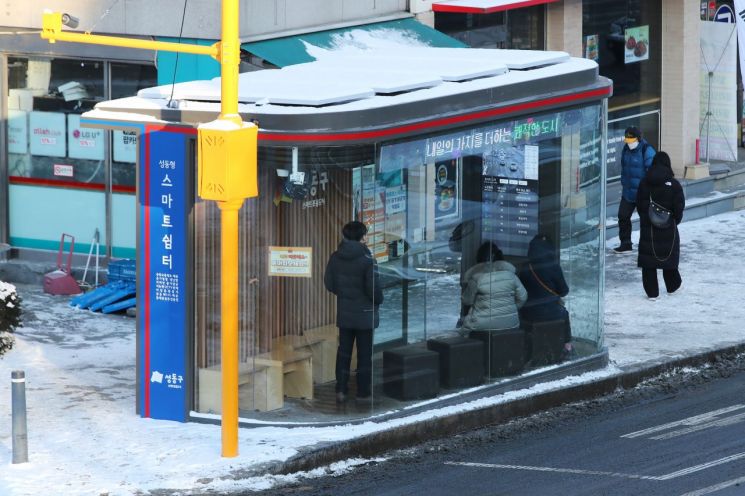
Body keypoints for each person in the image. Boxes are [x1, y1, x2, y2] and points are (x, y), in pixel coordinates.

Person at [324, 221, 383, 403]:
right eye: (364, 234)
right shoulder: (367, 259)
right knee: (364, 355)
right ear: (360, 237)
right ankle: (363, 393)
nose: (366, 237)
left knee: (344, 353)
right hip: (364, 314)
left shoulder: (335, 257)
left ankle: (341, 390)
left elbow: (329, 283)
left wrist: (344, 295)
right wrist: (378, 301)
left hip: (345, 313)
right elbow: (374, 290)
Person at [635, 151, 685, 300]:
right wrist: (673, 221)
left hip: (648, 229)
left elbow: (640, 205)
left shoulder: (644, 182)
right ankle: (673, 286)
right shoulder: (674, 185)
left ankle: (652, 292)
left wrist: (647, 219)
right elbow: (679, 208)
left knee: (648, 260)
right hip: (668, 228)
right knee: (668, 257)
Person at [518, 234, 573, 359]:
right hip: (552, 313)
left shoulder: (526, 267)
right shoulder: (553, 266)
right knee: (564, 313)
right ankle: (567, 346)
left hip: (529, 313)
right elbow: (564, 291)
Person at [460, 242, 527, 332]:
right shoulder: (511, 276)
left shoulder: (476, 278)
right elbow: (523, 297)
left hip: (481, 326)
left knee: (461, 330)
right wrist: (508, 311)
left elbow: (466, 301)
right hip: (511, 323)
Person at [614, 126, 656, 254]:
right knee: (623, 216)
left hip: (642, 194)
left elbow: (652, 172)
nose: (629, 143)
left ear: (638, 139)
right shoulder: (626, 150)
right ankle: (625, 243)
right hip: (628, 192)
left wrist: (649, 190)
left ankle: (647, 245)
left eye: (631, 140)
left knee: (645, 220)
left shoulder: (647, 151)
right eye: (627, 140)